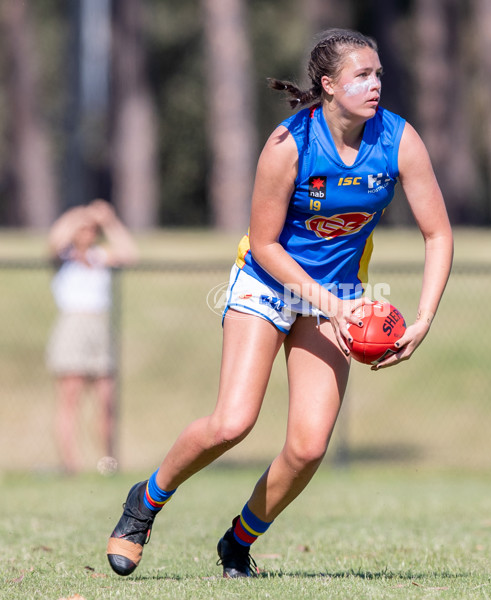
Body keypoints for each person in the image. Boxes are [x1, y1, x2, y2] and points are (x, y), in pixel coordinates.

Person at [106, 28, 453, 578]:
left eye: (379, 73)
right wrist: (333, 307)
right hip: (267, 281)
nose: (375, 84)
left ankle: (237, 543)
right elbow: (265, 245)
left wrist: (425, 318)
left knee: (309, 446)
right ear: (328, 84)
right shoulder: (288, 144)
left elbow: (437, 234)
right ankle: (143, 505)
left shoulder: (399, 140)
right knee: (232, 423)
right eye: (362, 75)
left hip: (337, 294)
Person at [46, 199, 138, 474]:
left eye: (91, 228)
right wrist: (80, 214)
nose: (87, 232)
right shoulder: (62, 258)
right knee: (70, 399)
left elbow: (130, 254)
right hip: (73, 325)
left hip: (100, 326)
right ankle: (70, 464)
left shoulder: (100, 256)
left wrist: (108, 220)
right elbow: (55, 238)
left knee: (106, 399)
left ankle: (107, 462)